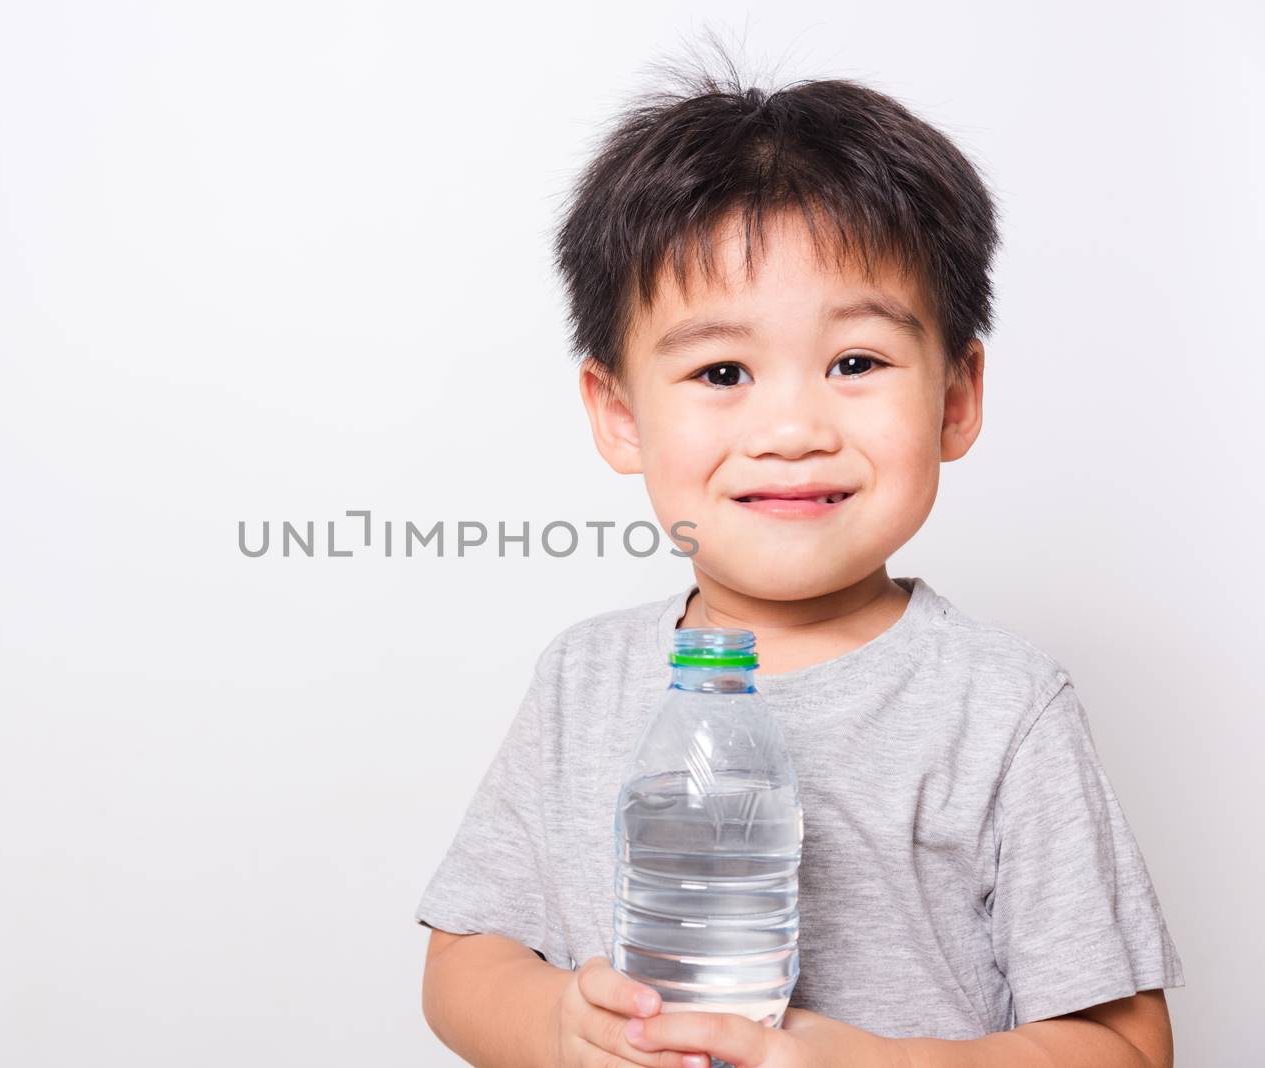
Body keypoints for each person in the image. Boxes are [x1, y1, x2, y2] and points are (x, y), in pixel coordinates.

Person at [413, 50, 1184, 1068]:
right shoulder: (583, 682)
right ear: (618, 415)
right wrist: (559, 1025)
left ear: (955, 398)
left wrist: (885, 1063)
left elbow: (1124, 1046)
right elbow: (464, 963)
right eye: (721, 370)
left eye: (855, 363)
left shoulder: (1001, 705)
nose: (790, 428)